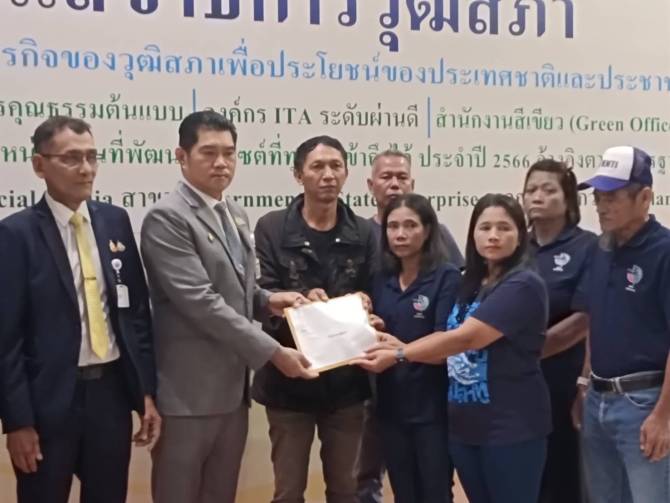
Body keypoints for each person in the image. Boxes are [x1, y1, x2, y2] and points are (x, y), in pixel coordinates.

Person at [140, 111, 316, 503]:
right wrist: (274, 352)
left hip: (232, 392)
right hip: (187, 395)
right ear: (181, 156)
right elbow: (201, 302)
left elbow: (237, 289)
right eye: (209, 153)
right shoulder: (167, 217)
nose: (221, 163)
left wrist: (270, 301)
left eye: (229, 153)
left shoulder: (234, 213)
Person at [0, 116, 160, 503]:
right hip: (48, 402)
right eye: (72, 158)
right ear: (40, 165)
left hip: (110, 396)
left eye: (91, 156)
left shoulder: (115, 221)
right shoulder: (16, 234)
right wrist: (17, 422)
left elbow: (135, 315)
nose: (86, 168)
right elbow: (6, 339)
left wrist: (145, 393)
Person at [355, 194, 551, 503]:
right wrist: (395, 342)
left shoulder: (523, 284)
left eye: (504, 228)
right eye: (485, 228)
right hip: (465, 425)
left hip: (509, 426)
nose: (493, 236)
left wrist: (400, 353)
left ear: (520, 235)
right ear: (473, 234)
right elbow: (447, 341)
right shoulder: (472, 282)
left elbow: (465, 339)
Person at [252, 135, 377, 503]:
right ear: (298, 175)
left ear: (347, 173)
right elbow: (262, 296)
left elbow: (375, 293)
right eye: (317, 166)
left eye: (336, 166)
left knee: (346, 490)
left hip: (347, 384)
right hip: (289, 379)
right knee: (288, 491)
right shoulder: (272, 228)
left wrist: (366, 304)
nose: (328, 175)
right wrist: (305, 306)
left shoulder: (365, 232)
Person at [358, 149, 464, 503]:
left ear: (428, 230)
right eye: (393, 227)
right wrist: (369, 324)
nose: (400, 234)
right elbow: (377, 333)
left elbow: (447, 343)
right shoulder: (381, 279)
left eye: (410, 226)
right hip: (390, 405)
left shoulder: (446, 277)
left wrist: (399, 351)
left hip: (433, 407)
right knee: (403, 492)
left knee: (435, 492)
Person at [573, 146, 670, 503]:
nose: (601, 206)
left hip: (645, 403)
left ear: (644, 197)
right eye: (598, 197)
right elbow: (595, 320)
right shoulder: (601, 248)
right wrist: (584, 382)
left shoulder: (664, 251)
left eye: (612, 197)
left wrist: (664, 417)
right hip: (597, 400)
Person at [522, 160, 597, 503]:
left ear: (568, 200)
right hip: (518, 386)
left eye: (547, 190)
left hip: (565, 383)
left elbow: (583, 319)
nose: (537, 196)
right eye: (530, 190)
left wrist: (525, 353)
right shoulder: (516, 248)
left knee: (566, 479)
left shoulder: (588, 247)